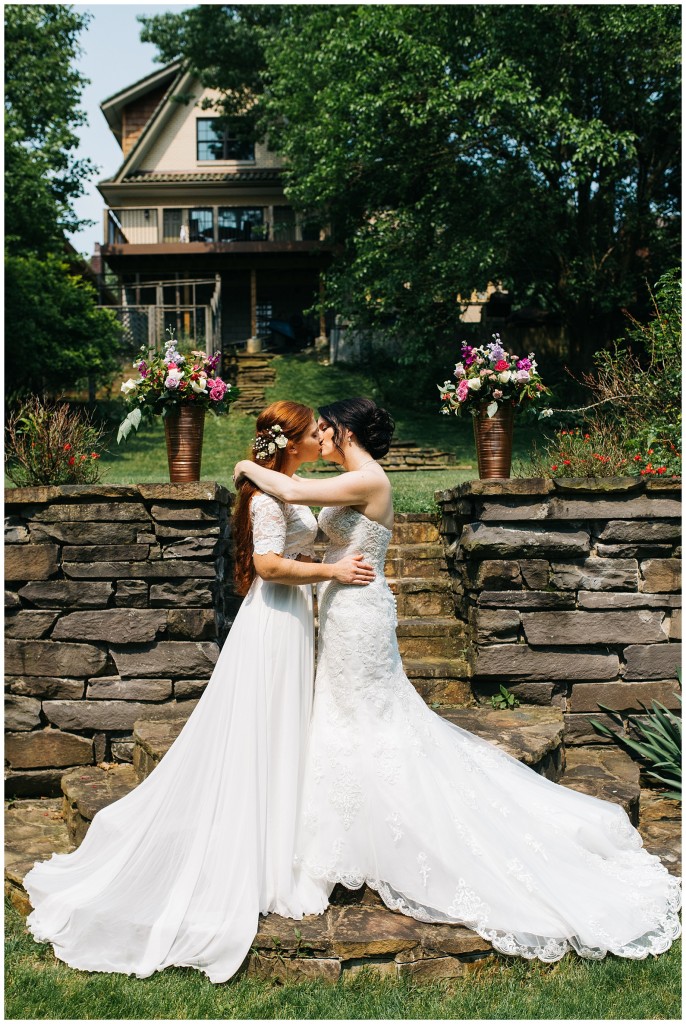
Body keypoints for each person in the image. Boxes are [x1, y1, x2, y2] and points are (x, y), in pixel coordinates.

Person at [233, 396, 681, 962]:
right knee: (346, 715)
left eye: (325, 428)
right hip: (342, 608)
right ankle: (338, 828)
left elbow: (293, 493)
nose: (319, 436)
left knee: (373, 717)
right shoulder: (350, 478)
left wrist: (251, 467)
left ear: (345, 431)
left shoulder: (370, 479)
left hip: (360, 611)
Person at [23, 401, 373, 983]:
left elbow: (293, 541)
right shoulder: (267, 498)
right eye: (313, 430)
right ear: (291, 440)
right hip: (275, 623)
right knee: (266, 735)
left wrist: (322, 557)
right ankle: (255, 858)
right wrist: (332, 573)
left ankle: (281, 844)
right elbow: (267, 564)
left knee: (285, 734)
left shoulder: (285, 484)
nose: (320, 436)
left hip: (293, 621)